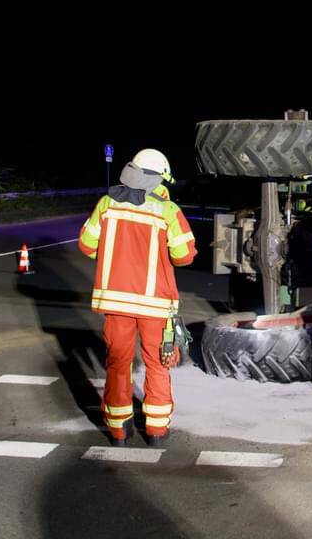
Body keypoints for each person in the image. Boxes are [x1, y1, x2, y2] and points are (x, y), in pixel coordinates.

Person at [78, 149, 197, 446]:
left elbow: (87, 246)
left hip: (115, 301)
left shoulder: (106, 204)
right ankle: (156, 431)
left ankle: (119, 431)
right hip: (155, 304)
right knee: (157, 364)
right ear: (158, 179)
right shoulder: (167, 210)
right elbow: (184, 256)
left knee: (118, 364)